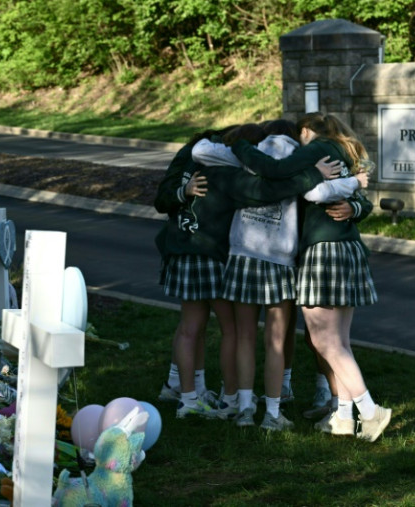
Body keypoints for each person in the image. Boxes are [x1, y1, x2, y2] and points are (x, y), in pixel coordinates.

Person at [192, 119, 367, 430]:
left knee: (245, 336)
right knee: (274, 339)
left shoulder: (246, 156)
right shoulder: (300, 166)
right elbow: (322, 191)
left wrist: (237, 143)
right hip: (279, 261)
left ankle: (245, 407)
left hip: (243, 255)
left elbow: (201, 151)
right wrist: (355, 185)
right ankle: (272, 413)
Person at [155, 123, 336, 420]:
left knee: (197, 328)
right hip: (226, 254)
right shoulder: (237, 171)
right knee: (239, 332)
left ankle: (195, 397)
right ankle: (237, 401)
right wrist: (309, 175)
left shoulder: (209, 157)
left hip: (198, 250)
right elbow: (262, 191)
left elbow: (177, 179)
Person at [231, 112, 392, 441]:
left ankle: (371, 411)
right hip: (349, 250)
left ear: (306, 131)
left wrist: (242, 146)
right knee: (340, 342)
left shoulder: (314, 149)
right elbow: (359, 200)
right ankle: (343, 418)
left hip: (322, 252)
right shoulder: (345, 153)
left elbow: (282, 176)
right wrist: (353, 195)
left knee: (325, 341)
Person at [154, 127, 238, 417]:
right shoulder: (230, 159)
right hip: (212, 252)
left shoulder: (188, 156)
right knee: (231, 328)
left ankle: (190, 397)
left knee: (192, 327)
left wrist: (182, 190)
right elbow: (163, 198)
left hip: (185, 247)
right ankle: (231, 399)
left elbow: (163, 197)